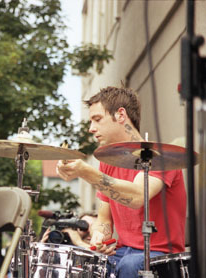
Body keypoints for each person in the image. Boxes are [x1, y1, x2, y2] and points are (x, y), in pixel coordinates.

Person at [56, 86, 186, 277]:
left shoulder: (161, 156)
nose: (91, 128)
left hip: (162, 256)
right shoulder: (108, 163)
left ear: (121, 115)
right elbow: (104, 218)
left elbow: (137, 196)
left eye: (97, 119)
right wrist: (100, 237)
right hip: (124, 252)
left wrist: (85, 172)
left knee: (130, 265)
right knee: (84, 263)